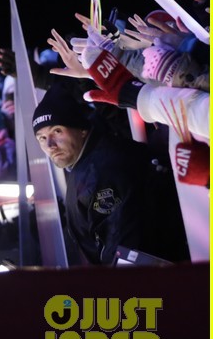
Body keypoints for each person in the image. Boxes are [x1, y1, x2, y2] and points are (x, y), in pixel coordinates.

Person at [31, 83, 189, 266]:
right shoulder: (88, 163)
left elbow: (126, 251)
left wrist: (116, 283)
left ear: (82, 130)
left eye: (57, 131)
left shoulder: (101, 173)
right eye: (42, 138)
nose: (50, 145)